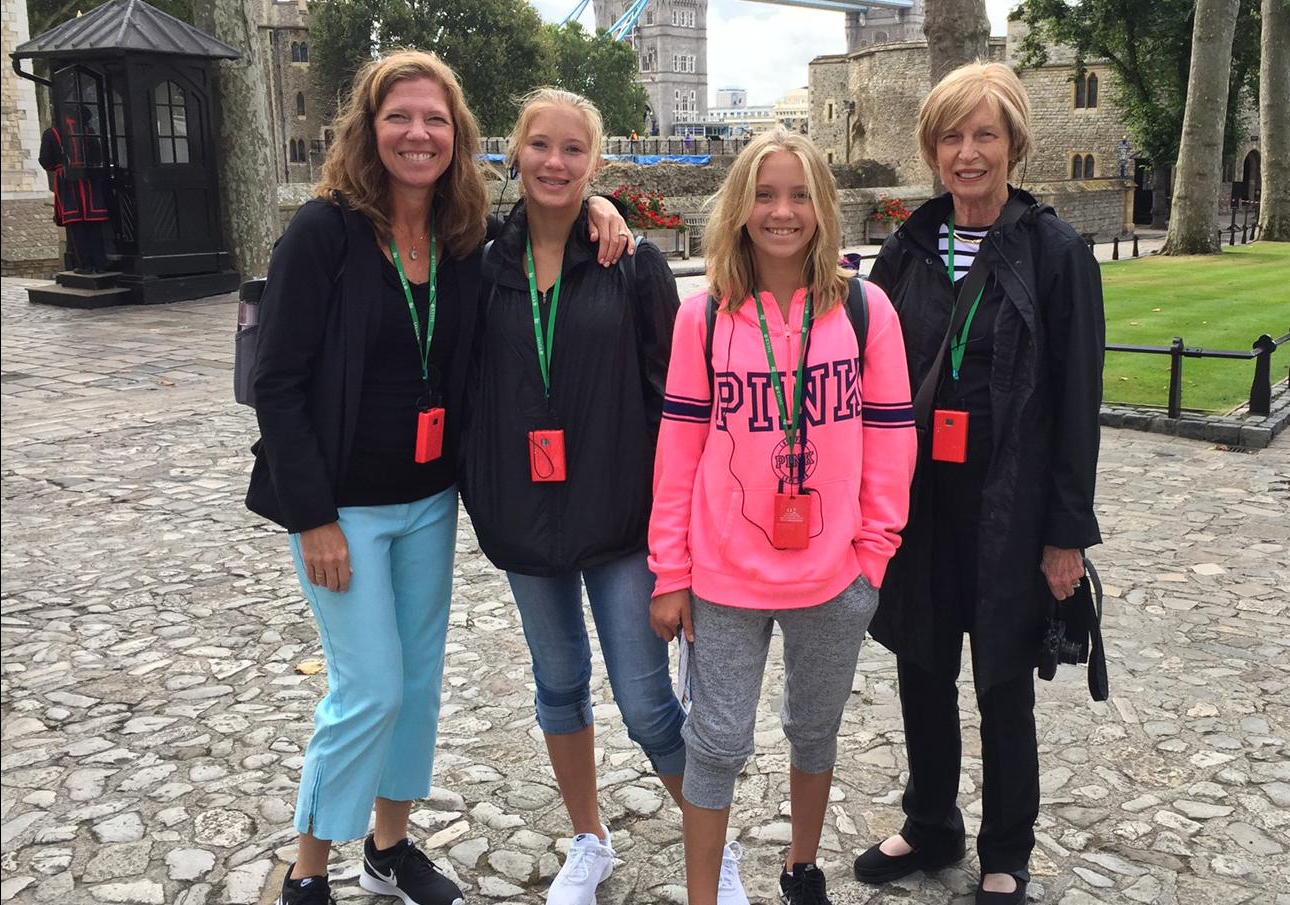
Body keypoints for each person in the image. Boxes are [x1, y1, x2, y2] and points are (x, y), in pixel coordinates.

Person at [245, 51, 629, 905]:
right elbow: (276, 380)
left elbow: (548, 218)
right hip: (343, 506)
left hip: (427, 502)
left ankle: (388, 849)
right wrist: (311, 515)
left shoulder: (463, 237)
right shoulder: (324, 233)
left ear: (456, 136)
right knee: (367, 683)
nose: (417, 134)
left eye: (435, 120)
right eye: (399, 117)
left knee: (415, 683)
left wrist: (598, 202)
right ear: (369, 128)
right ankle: (309, 870)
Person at [851, 61, 1106, 905]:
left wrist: (1064, 531)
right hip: (919, 505)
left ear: (1012, 144)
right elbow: (865, 372)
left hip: (1011, 504)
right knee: (920, 667)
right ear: (932, 149)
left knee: (1000, 682)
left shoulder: (1054, 252)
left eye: (984, 135)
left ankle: (1005, 849)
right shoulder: (908, 248)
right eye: (951, 136)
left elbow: (1075, 398)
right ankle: (930, 825)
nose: (967, 153)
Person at [647, 128, 917, 905]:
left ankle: (800, 865)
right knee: (716, 742)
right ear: (738, 206)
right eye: (764, 194)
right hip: (726, 575)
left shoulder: (865, 311)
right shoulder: (702, 318)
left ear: (823, 208)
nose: (782, 211)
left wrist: (872, 556)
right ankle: (704, 893)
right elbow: (677, 453)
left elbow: (892, 440)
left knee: (813, 729)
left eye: (799, 194)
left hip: (833, 573)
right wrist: (671, 569)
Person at [458, 87, 685, 905]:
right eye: (540, 146)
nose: (555, 162)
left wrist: (674, 536)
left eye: (573, 150)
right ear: (513, 152)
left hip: (617, 519)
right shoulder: (478, 263)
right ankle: (588, 837)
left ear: (595, 162)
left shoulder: (633, 265)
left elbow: (673, 405)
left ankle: (710, 847)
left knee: (647, 700)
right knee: (558, 685)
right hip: (524, 517)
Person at [38, 106, 111, 273]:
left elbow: (45, 160)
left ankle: (84, 265)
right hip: (89, 180)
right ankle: (100, 263)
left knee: (75, 225)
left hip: (66, 181)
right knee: (93, 224)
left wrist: (58, 168)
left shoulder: (52, 133)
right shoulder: (88, 131)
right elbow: (97, 155)